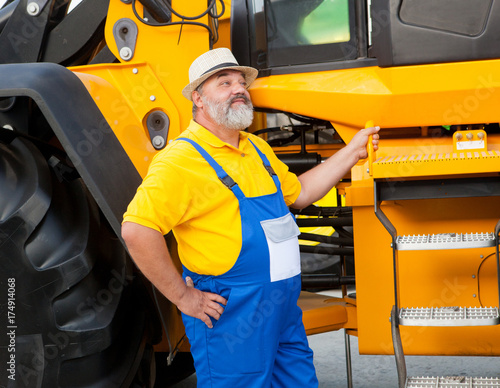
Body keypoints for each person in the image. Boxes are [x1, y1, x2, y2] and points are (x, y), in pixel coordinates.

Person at [122, 47, 379, 387]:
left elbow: (299, 192)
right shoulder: (180, 161)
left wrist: (353, 151)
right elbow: (137, 231)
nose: (238, 89)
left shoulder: (256, 148)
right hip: (232, 316)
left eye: (241, 82)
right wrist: (183, 298)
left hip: (282, 308)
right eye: (224, 82)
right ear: (198, 98)